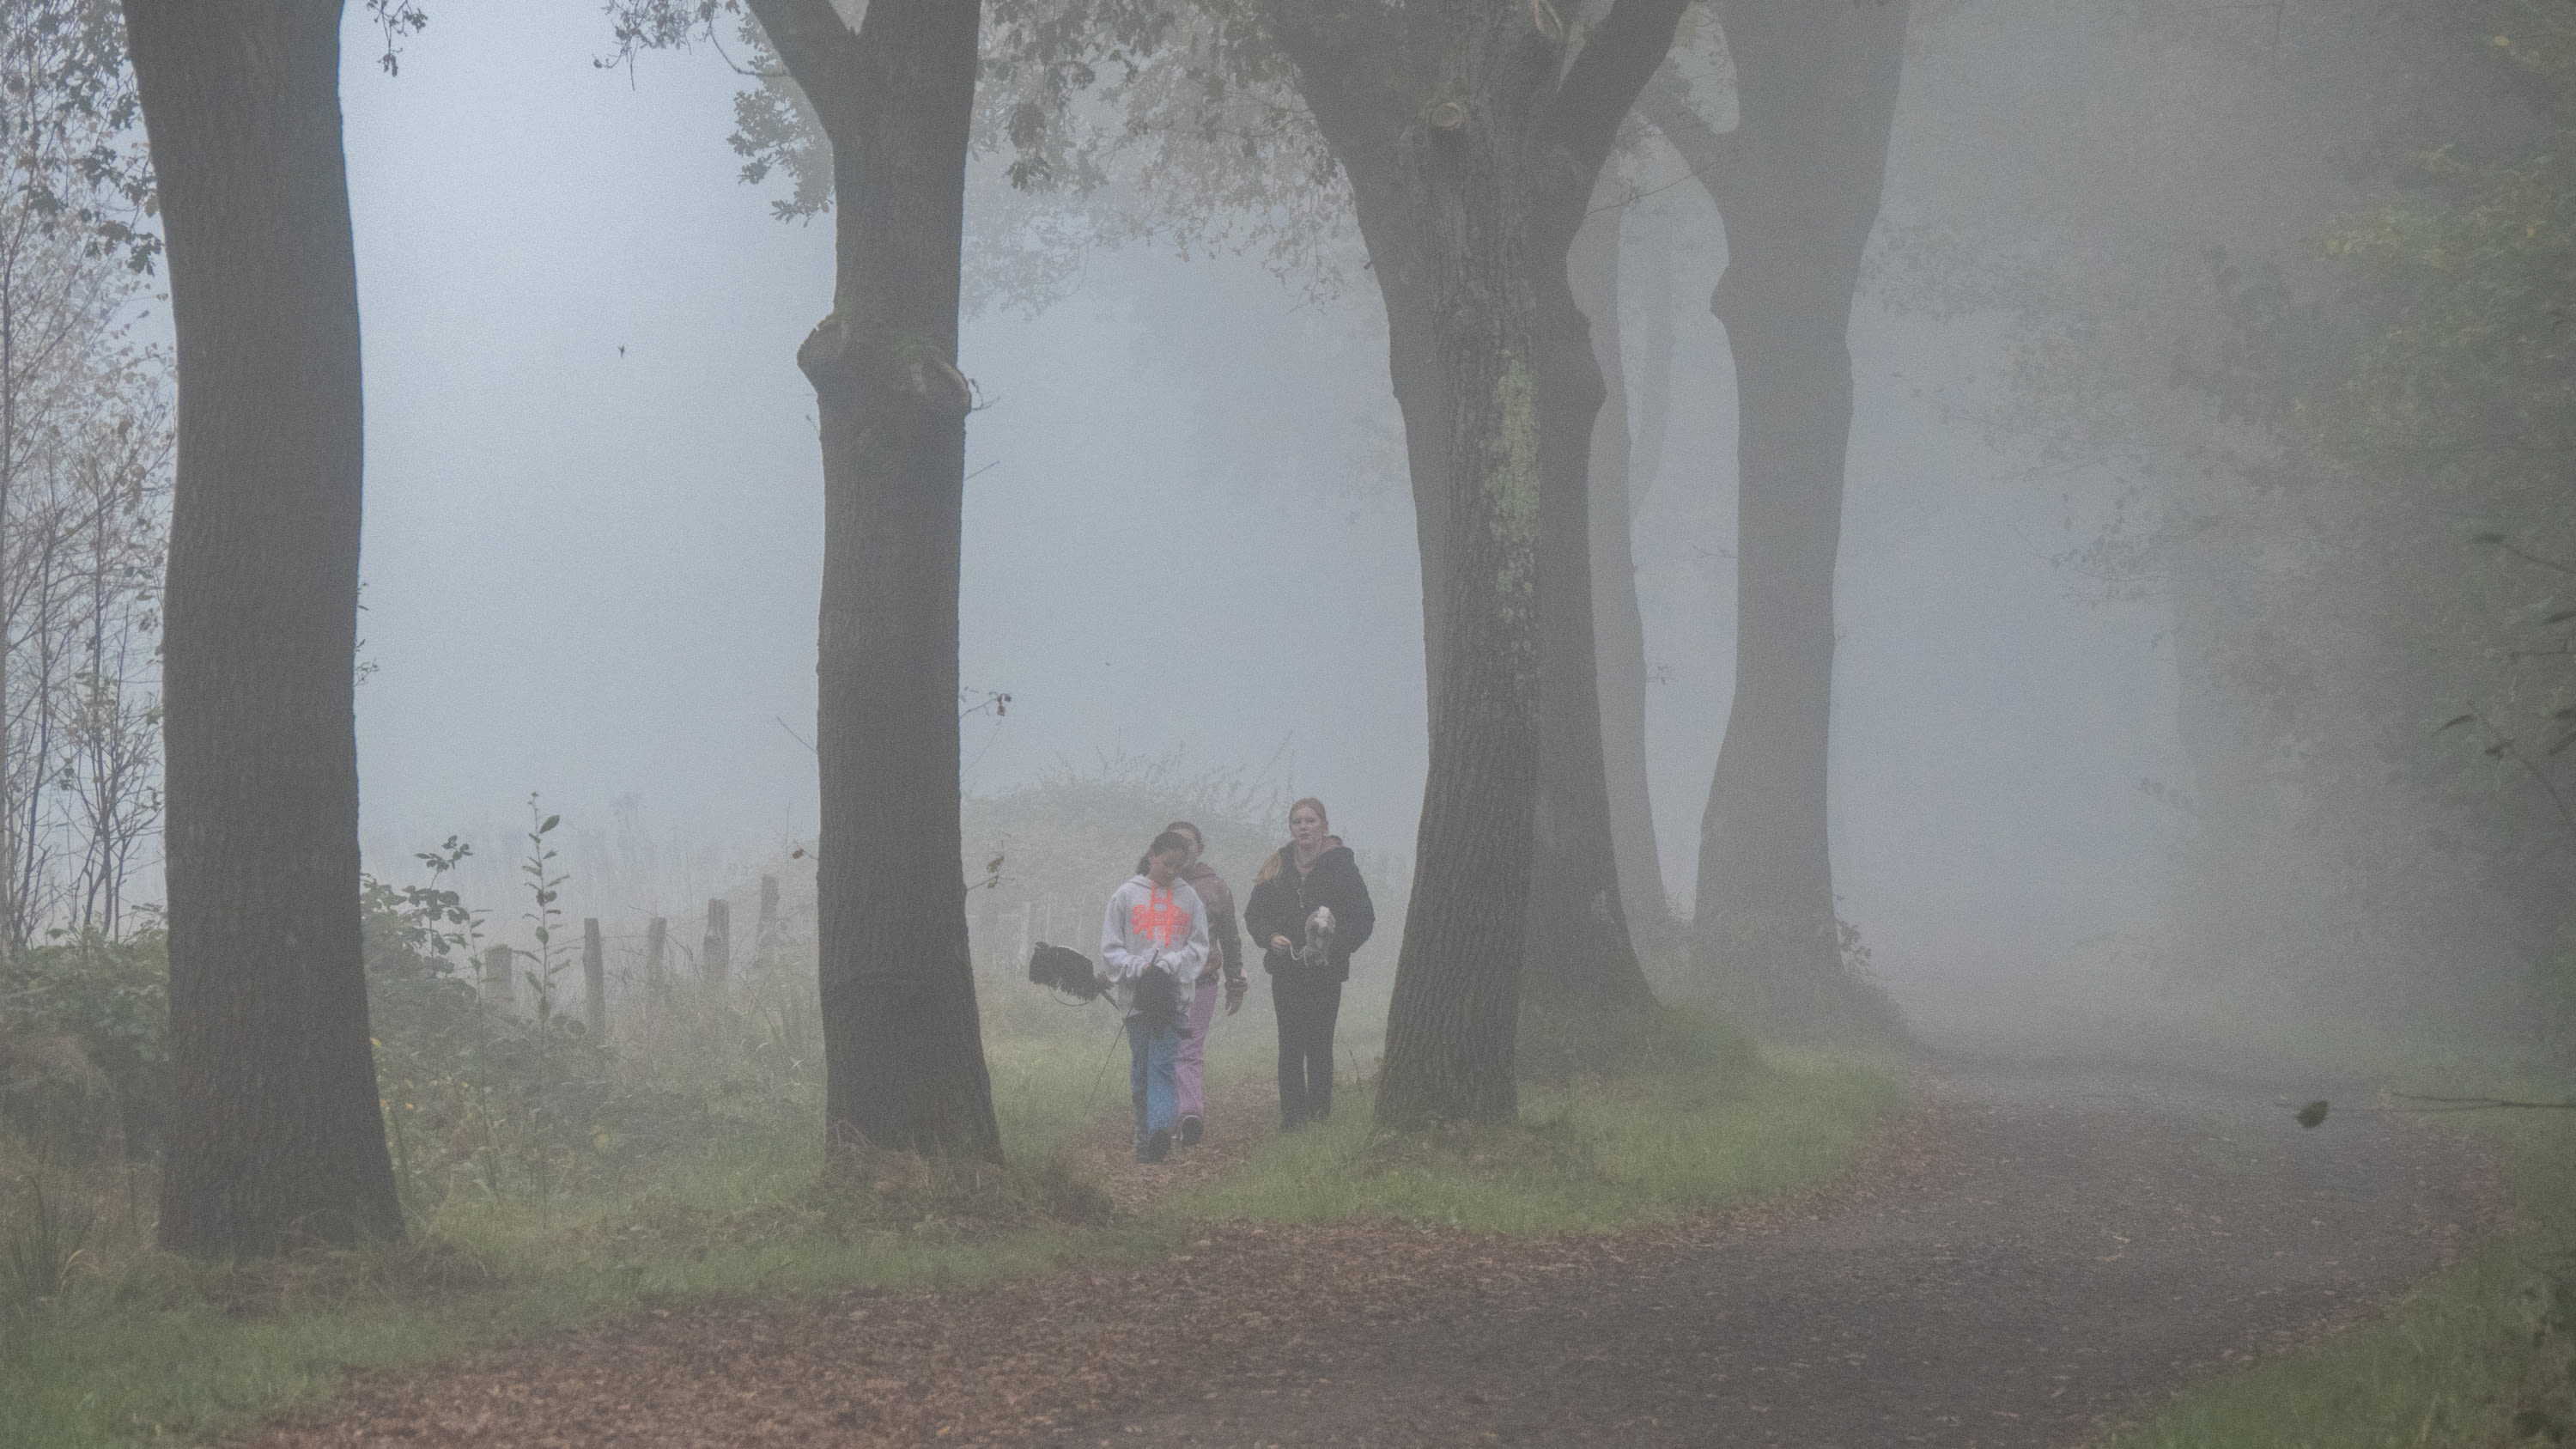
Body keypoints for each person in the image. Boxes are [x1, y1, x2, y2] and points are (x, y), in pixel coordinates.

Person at [1242, 797, 1375, 1129]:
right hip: (1286, 969)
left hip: (1325, 972)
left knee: (1319, 1044)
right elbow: (1254, 915)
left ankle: (1319, 1116)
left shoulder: (1343, 868)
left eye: (1311, 821)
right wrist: (1270, 937)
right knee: (1289, 1045)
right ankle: (1292, 1118)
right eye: (1297, 821)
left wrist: (1334, 946)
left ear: (1324, 827)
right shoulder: (1276, 866)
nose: (1304, 827)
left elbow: (1364, 919)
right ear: (1290, 828)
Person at [1099, 830, 1210, 1163]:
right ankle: (1144, 1134)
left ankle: (1159, 1131)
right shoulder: (1125, 895)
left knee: (1162, 1064)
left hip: (1173, 998)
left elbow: (1198, 947)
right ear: (1152, 856)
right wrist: (1138, 967)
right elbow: (1111, 948)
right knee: (1142, 1065)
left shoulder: (1190, 898)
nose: (1173, 872)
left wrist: (1170, 965)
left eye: (1180, 866)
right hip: (1136, 1000)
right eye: (1167, 864)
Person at [1165, 820, 1246, 1148]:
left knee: (1188, 1046)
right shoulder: (1152, 884)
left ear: (1200, 847)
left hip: (1203, 980)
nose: (1182, 849)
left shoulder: (1215, 887)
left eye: (1188, 843)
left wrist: (1236, 982)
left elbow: (1231, 938)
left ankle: (1189, 1114)